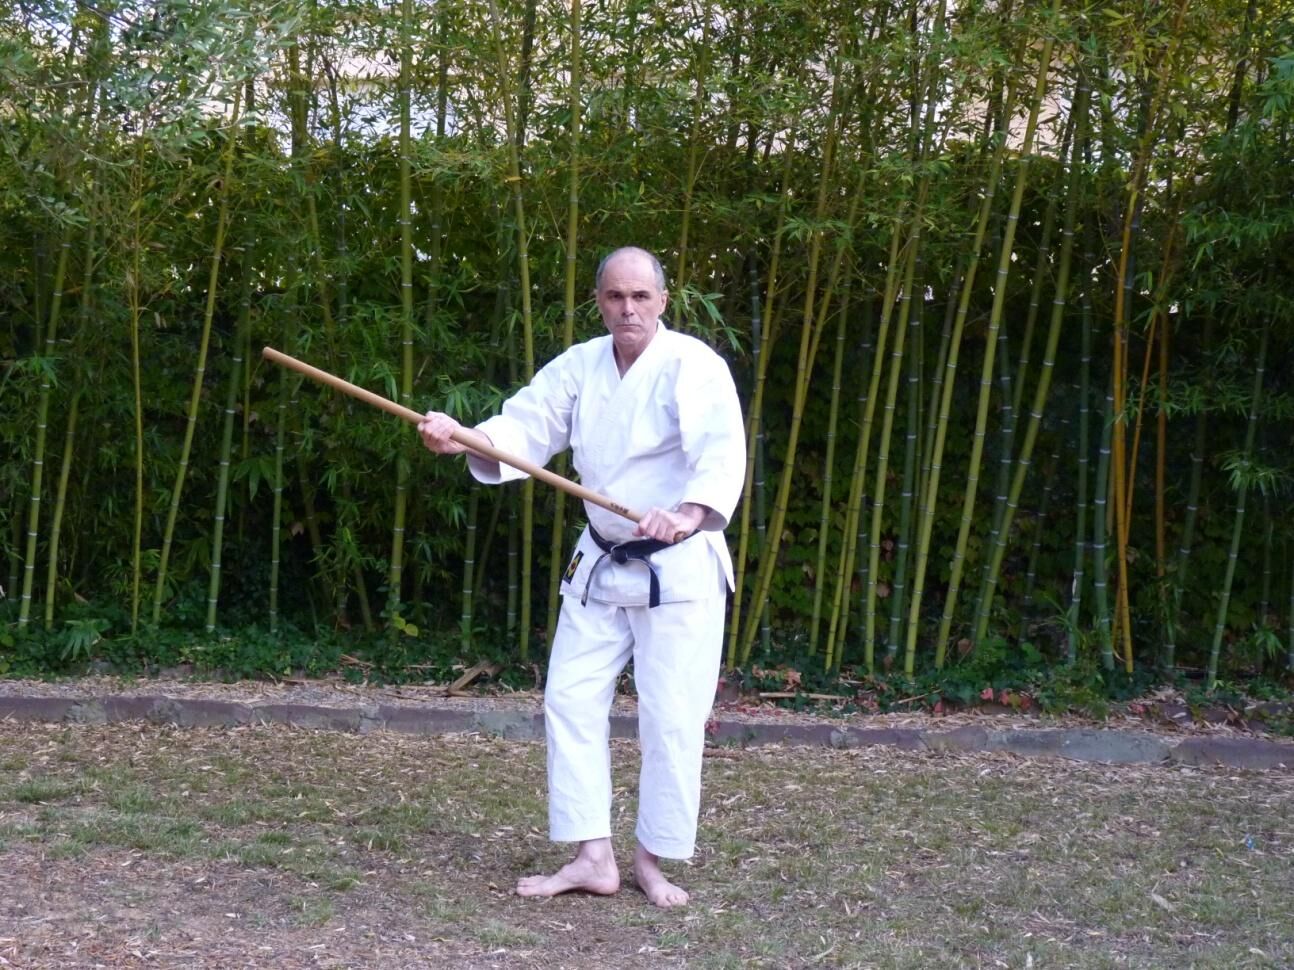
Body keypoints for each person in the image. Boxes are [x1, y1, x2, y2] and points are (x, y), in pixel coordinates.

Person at [418, 246, 745, 907]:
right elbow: (527, 424)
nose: (628, 309)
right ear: (599, 301)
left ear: (663, 301)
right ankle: (594, 857)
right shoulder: (581, 366)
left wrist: (687, 514)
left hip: (677, 566)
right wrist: (466, 438)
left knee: (672, 716)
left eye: (641, 297)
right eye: (615, 296)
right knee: (568, 699)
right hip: (600, 559)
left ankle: (652, 859)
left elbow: (720, 451)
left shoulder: (694, 366)